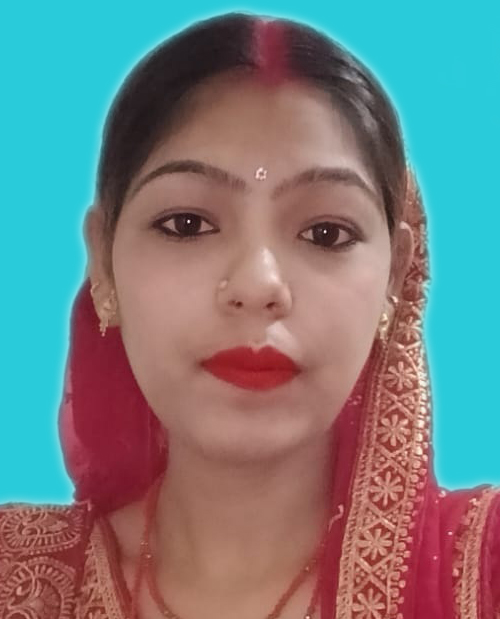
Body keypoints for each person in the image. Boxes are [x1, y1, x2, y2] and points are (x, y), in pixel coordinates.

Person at [0, 12, 498, 619]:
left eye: (326, 232)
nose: (259, 286)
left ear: (395, 276)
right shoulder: (15, 577)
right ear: (103, 263)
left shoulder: (485, 574)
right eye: (187, 224)